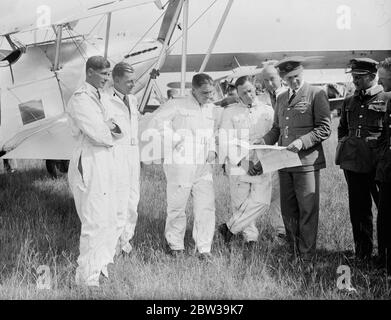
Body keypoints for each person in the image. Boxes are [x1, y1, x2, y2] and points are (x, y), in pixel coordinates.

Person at [257, 56, 331, 265]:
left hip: (306, 163)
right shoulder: (281, 98)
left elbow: (324, 128)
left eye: (296, 76)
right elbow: (277, 129)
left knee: (307, 210)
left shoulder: (316, 94)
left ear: (302, 73)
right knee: (288, 211)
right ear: (283, 78)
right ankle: (294, 252)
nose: (294, 81)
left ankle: (306, 257)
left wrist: (301, 142)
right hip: (284, 162)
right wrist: (263, 140)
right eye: (289, 78)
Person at [147, 73, 219, 260]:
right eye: (204, 93)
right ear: (193, 90)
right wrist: (177, 140)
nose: (209, 96)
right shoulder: (177, 104)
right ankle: (175, 245)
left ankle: (204, 249)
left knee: (206, 206)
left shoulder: (211, 108)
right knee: (177, 205)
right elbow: (157, 123)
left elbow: (211, 134)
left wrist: (212, 150)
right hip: (181, 163)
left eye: (211, 92)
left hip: (203, 165)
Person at [67, 56, 121, 287]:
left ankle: (100, 268)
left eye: (109, 74)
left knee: (108, 218)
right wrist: (107, 128)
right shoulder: (80, 99)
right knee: (94, 221)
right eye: (103, 74)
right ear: (89, 72)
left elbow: (118, 129)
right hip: (88, 162)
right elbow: (99, 134)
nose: (107, 79)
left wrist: (107, 128)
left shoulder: (101, 98)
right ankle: (86, 279)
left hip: (104, 162)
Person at [337, 58, 388, 262]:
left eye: (359, 77)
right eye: (353, 77)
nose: (354, 81)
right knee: (358, 211)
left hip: (378, 166)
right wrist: (346, 145)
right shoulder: (349, 100)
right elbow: (342, 128)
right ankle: (363, 253)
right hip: (353, 164)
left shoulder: (386, 97)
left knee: (385, 213)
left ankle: (385, 256)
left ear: (372, 76)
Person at [217, 76, 274, 252]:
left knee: (262, 201)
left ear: (255, 88)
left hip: (261, 162)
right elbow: (225, 140)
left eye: (250, 91)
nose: (248, 95)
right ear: (237, 94)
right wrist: (242, 162)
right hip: (238, 162)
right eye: (244, 93)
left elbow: (274, 136)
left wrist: (266, 161)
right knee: (241, 202)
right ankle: (251, 239)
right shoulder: (230, 112)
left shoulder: (267, 111)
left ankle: (228, 228)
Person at [102, 62, 140, 256]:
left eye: (134, 80)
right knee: (118, 202)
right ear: (115, 80)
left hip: (133, 156)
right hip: (117, 157)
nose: (133, 84)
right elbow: (105, 126)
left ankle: (126, 240)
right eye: (129, 81)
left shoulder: (132, 99)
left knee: (133, 202)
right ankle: (113, 244)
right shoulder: (104, 99)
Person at [260, 63, 287, 242]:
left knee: (286, 194)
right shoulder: (261, 100)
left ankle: (289, 230)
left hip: (288, 150)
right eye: (266, 80)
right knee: (272, 193)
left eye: (272, 79)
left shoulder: (288, 95)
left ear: (280, 78)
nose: (269, 83)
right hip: (269, 153)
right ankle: (281, 231)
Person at [375, 57, 391, 272]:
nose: (379, 81)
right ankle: (385, 261)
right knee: (385, 216)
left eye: (383, 77)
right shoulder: (388, 100)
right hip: (387, 169)